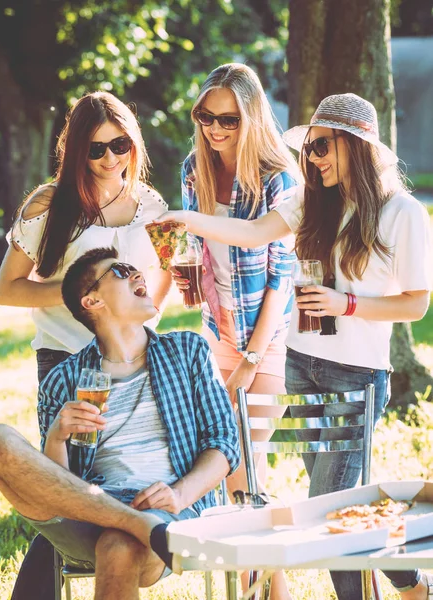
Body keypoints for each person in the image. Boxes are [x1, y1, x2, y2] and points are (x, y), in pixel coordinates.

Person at [156, 92, 433, 600]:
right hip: (302, 366)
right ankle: (412, 581)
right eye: (309, 150)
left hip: (357, 375)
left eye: (322, 147)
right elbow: (252, 232)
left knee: (328, 505)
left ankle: (396, 584)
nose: (313, 159)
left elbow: (416, 304)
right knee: (342, 500)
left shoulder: (402, 213)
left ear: (357, 146)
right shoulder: (312, 202)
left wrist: (344, 305)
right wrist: (186, 219)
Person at [0, 246, 240, 600]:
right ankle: (136, 524)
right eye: (119, 271)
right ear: (92, 302)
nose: (137, 274)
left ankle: (138, 526)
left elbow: (224, 442)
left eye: (135, 269)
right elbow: (58, 490)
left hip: (172, 513)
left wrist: (179, 494)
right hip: (90, 513)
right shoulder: (64, 379)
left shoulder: (187, 351)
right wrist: (56, 437)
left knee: (118, 545)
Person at [0, 91, 172, 599]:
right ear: (75, 152)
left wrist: (139, 317)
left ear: (133, 142)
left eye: (119, 144)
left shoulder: (150, 206)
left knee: (107, 481)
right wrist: (83, 294)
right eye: (96, 150)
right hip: (67, 359)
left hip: (128, 361)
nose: (110, 158)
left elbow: (161, 279)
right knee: (69, 481)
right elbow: (8, 289)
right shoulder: (49, 204)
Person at [174, 63, 298, 498]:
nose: (215, 129)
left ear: (252, 118)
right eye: (206, 117)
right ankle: (271, 568)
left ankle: (259, 565)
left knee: (240, 463)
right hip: (218, 332)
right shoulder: (195, 169)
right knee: (241, 472)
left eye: (229, 119)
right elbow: (197, 247)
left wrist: (251, 358)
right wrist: (192, 279)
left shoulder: (276, 179)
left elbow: (281, 280)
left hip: (268, 339)